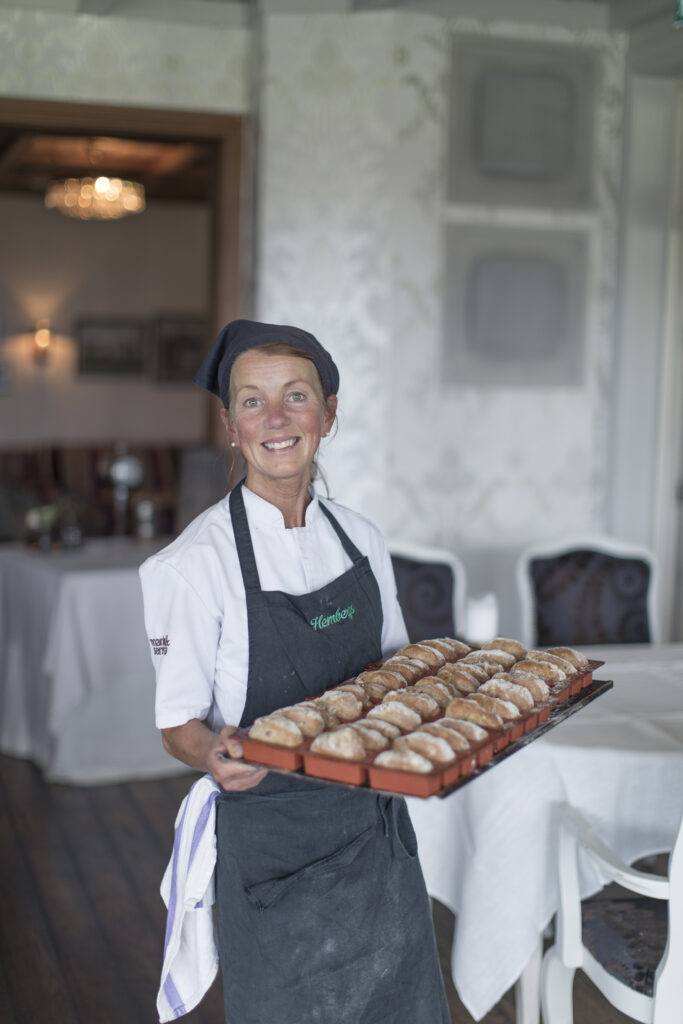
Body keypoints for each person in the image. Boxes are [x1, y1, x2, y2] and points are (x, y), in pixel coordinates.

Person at [140, 318, 450, 1024]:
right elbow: (177, 726)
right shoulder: (192, 566)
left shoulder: (361, 538)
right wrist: (211, 752)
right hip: (276, 846)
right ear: (229, 424)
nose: (275, 419)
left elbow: (398, 675)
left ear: (328, 414)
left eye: (295, 397)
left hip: (377, 833)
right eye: (252, 401)